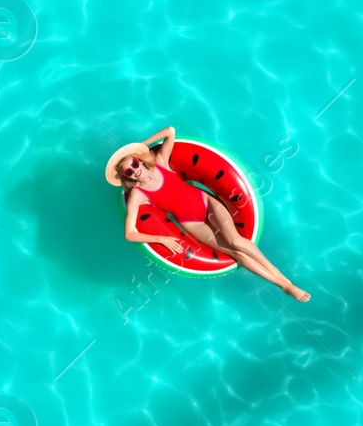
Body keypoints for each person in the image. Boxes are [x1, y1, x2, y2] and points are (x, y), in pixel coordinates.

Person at [106, 127, 310, 302]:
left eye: (134, 164)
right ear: (126, 177)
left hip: (207, 203)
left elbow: (170, 131)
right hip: (191, 222)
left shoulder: (160, 162)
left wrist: (141, 145)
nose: (134, 170)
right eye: (128, 172)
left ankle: (285, 281)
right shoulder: (137, 196)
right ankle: (283, 285)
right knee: (236, 254)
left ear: (139, 161)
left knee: (236, 241)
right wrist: (161, 238)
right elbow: (130, 234)